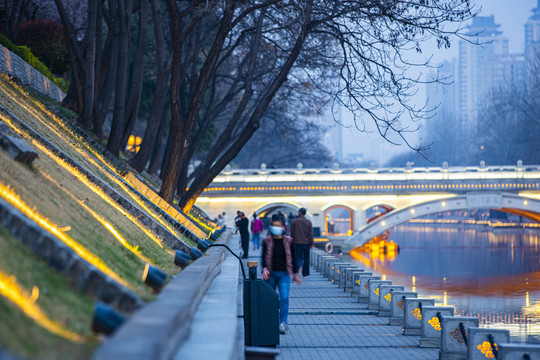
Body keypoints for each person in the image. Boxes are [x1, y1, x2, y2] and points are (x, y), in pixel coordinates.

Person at [262, 214, 302, 334]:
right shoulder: (267, 241)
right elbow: (263, 257)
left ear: (283, 227)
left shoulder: (289, 241)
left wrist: (295, 274)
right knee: (270, 299)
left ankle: (282, 323)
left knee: (284, 298)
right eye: (274, 225)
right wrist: (264, 269)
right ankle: (270, 322)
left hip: (285, 274)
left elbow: (293, 258)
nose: (276, 227)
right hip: (270, 274)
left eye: (278, 225)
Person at [290, 207, 314, 278]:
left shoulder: (294, 221)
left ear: (300, 212)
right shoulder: (308, 222)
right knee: (306, 258)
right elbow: (311, 234)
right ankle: (305, 274)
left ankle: (298, 270)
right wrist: (311, 243)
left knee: (297, 257)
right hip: (306, 243)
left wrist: (292, 241)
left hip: (296, 242)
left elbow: (292, 233)